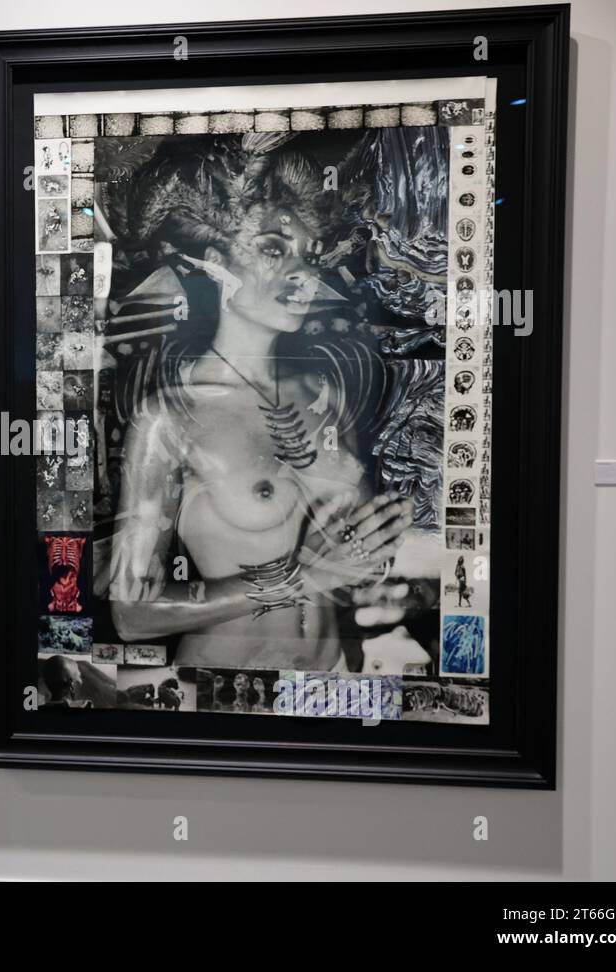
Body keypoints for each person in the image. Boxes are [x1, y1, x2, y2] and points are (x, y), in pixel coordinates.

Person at [103, 134, 418, 673]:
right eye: (274, 249)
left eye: (308, 255)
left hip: (329, 683)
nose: (303, 274)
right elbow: (132, 615)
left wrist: (391, 577)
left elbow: (352, 572)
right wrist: (301, 578)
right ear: (216, 264)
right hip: (229, 694)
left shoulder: (325, 398)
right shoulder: (171, 419)